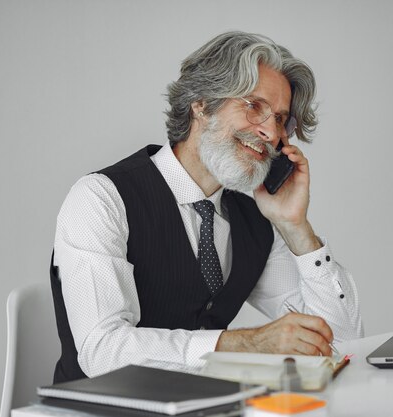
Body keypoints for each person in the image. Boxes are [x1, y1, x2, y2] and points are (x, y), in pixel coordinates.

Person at [50, 31, 363, 384]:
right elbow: (103, 351)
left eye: (279, 119)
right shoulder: (101, 198)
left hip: (202, 405)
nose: (270, 133)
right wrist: (244, 344)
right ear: (201, 102)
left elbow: (338, 340)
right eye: (254, 106)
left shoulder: (254, 223)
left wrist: (296, 227)